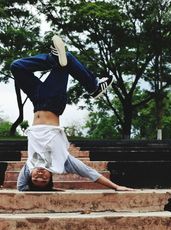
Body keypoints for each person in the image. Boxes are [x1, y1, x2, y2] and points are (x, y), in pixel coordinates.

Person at [10, 35, 133, 192]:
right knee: (65, 59)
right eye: (44, 180)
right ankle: (93, 86)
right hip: (54, 102)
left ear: (28, 176)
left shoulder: (29, 166)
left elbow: (21, 188)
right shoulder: (63, 162)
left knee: (16, 66)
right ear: (51, 178)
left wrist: (36, 190)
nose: (39, 175)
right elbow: (89, 172)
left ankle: (53, 59)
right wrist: (116, 187)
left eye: (35, 179)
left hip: (37, 100)